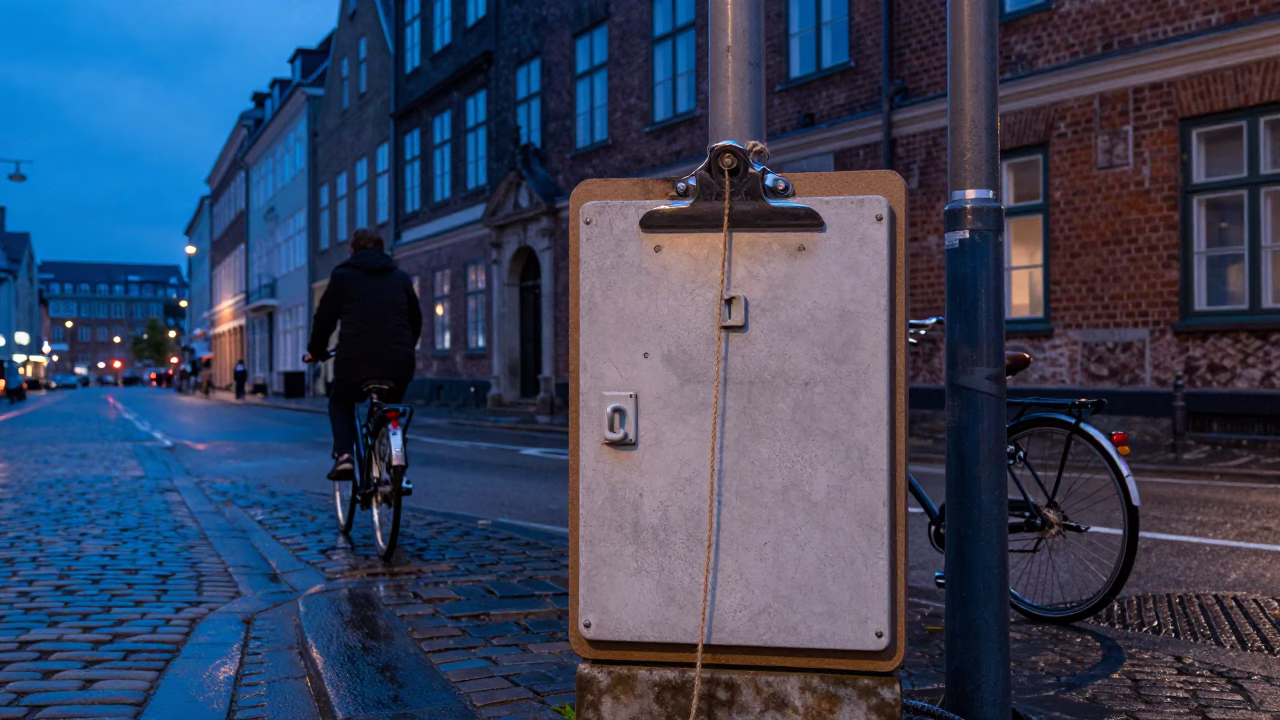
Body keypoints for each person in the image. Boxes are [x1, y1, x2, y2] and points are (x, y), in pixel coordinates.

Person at [305, 228, 422, 480]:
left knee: (340, 401)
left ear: (352, 251)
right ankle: (394, 447)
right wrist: (405, 347)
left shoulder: (343, 276)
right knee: (391, 405)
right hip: (398, 361)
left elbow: (324, 319)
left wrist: (316, 351)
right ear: (382, 250)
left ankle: (345, 456)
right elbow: (416, 319)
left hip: (355, 360)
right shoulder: (401, 278)